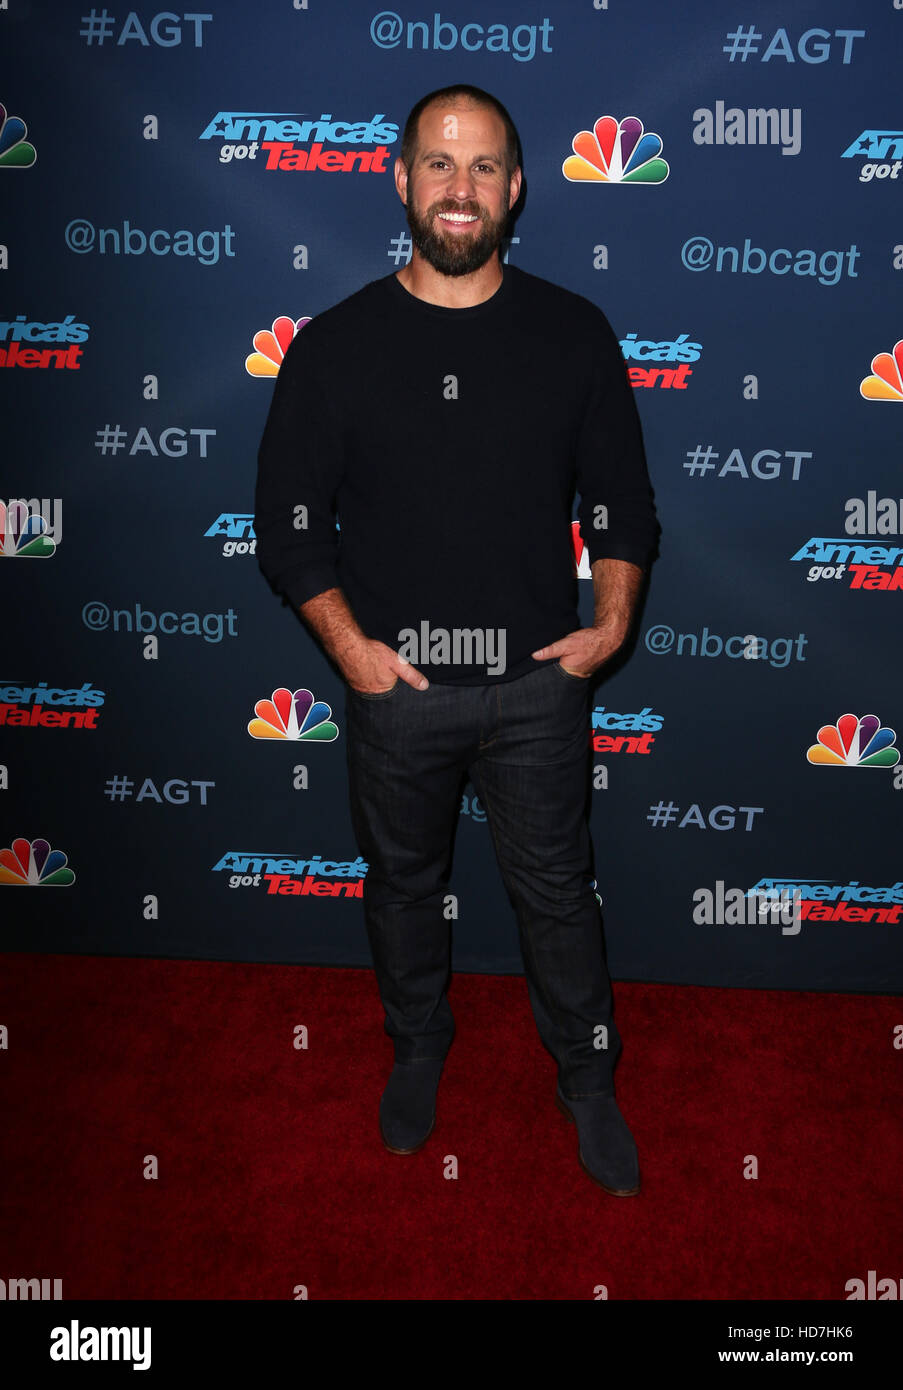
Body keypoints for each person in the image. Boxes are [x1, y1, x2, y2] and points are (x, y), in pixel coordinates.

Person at [255, 83, 659, 1196]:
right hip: (400, 690)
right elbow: (287, 524)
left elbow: (623, 500)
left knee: (559, 895)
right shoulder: (336, 346)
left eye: (483, 166)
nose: (461, 187)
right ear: (400, 179)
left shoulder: (572, 331)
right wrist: (351, 652)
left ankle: (587, 1079)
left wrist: (610, 621)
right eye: (439, 163)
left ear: (518, 186)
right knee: (400, 886)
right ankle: (418, 1046)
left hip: (537, 687)